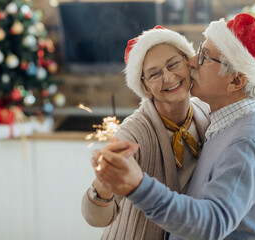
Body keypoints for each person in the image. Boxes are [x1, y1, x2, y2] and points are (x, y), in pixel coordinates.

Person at [93, 13, 255, 239]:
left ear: (236, 81)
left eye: (204, 56)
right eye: (154, 74)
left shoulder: (245, 142)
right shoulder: (223, 121)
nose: (193, 61)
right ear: (144, 86)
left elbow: (212, 223)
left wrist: (139, 186)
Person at [81, 26, 210, 239]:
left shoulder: (205, 112)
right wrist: (102, 184)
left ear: (188, 63)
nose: (168, 78)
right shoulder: (133, 132)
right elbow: (95, 217)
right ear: (145, 88)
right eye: (154, 74)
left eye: (173, 64)